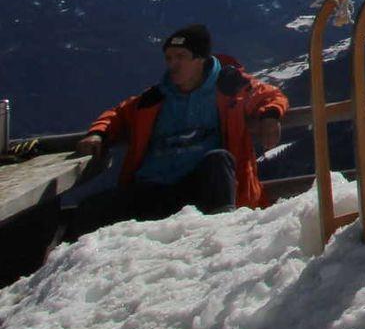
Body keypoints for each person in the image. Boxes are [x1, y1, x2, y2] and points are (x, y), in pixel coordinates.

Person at [66, 25, 287, 240]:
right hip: (151, 188)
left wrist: (270, 116)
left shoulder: (230, 87)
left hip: (198, 187)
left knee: (218, 160)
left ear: (200, 59)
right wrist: (98, 133)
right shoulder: (154, 98)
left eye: (181, 57)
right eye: (169, 58)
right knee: (89, 210)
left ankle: (223, 236)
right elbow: (117, 115)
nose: (173, 64)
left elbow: (270, 95)